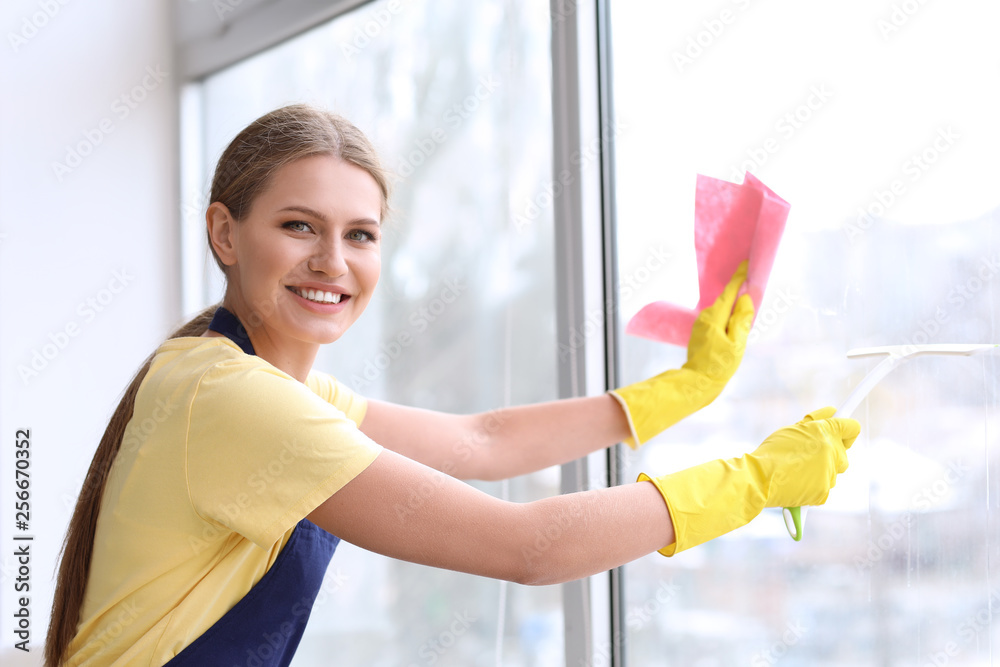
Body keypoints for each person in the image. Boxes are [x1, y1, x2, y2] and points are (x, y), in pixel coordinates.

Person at [45, 104, 859, 666]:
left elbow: (484, 441)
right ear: (226, 231)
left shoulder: (250, 381)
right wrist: (752, 483)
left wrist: (683, 388)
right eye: (299, 226)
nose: (334, 261)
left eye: (359, 234)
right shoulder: (233, 399)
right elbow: (529, 548)